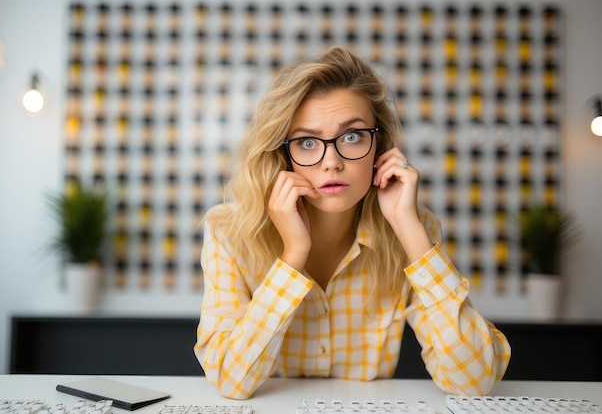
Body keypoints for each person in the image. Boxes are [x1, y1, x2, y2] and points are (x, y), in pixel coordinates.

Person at [194, 46, 511, 400]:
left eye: (352, 136)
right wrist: (293, 255)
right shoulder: (228, 233)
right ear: (283, 155)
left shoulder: (412, 230)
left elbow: (475, 380)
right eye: (307, 142)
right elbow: (229, 379)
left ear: (380, 146)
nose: (331, 162)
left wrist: (407, 224)